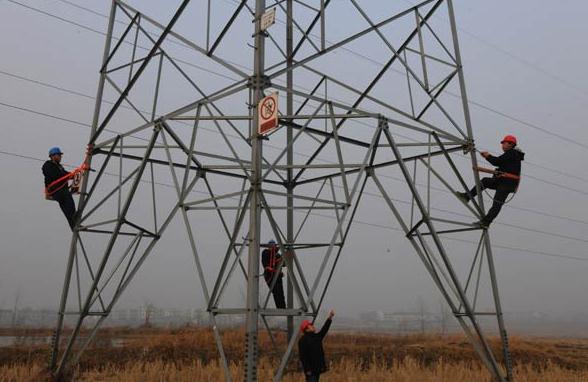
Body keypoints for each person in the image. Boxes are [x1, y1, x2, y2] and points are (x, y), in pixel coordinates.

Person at [457, 135, 525, 227]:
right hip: (503, 182)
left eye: (504, 143)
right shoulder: (513, 155)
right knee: (485, 181)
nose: (502, 145)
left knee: (497, 204)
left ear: (511, 144)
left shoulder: (512, 153)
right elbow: (502, 165)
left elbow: (497, 161)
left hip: (506, 184)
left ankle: (486, 222)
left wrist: (488, 156)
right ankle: (467, 196)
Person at [43, 147, 76, 229]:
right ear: (53, 156)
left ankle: (73, 224)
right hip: (56, 190)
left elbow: (64, 173)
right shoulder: (48, 165)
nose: (60, 157)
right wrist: (67, 176)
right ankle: (74, 216)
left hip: (61, 190)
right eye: (59, 155)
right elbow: (55, 175)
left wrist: (73, 175)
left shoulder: (59, 166)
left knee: (65, 206)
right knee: (68, 199)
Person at [298, 310, 335, 382]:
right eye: (311, 325)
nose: (313, 326)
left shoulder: (316, 337)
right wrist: (307, 369)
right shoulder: (303, 340)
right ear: (307, 329)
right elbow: (303, 356)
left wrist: (330, 318)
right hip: (310, 371)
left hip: (317, 369)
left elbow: (324, 330)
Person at [261, 240, 286, 309]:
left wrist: (286, 257)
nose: (272, 247)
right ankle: (280, 307)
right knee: (276, 291)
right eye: (271, 246)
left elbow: (284, 264)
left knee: (280, 292)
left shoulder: (277, 255)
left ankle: (282, 307)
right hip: (270, 275)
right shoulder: (266, 252)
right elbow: (266, 262)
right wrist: (268, 267)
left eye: (273, 246)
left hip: (277, 275)